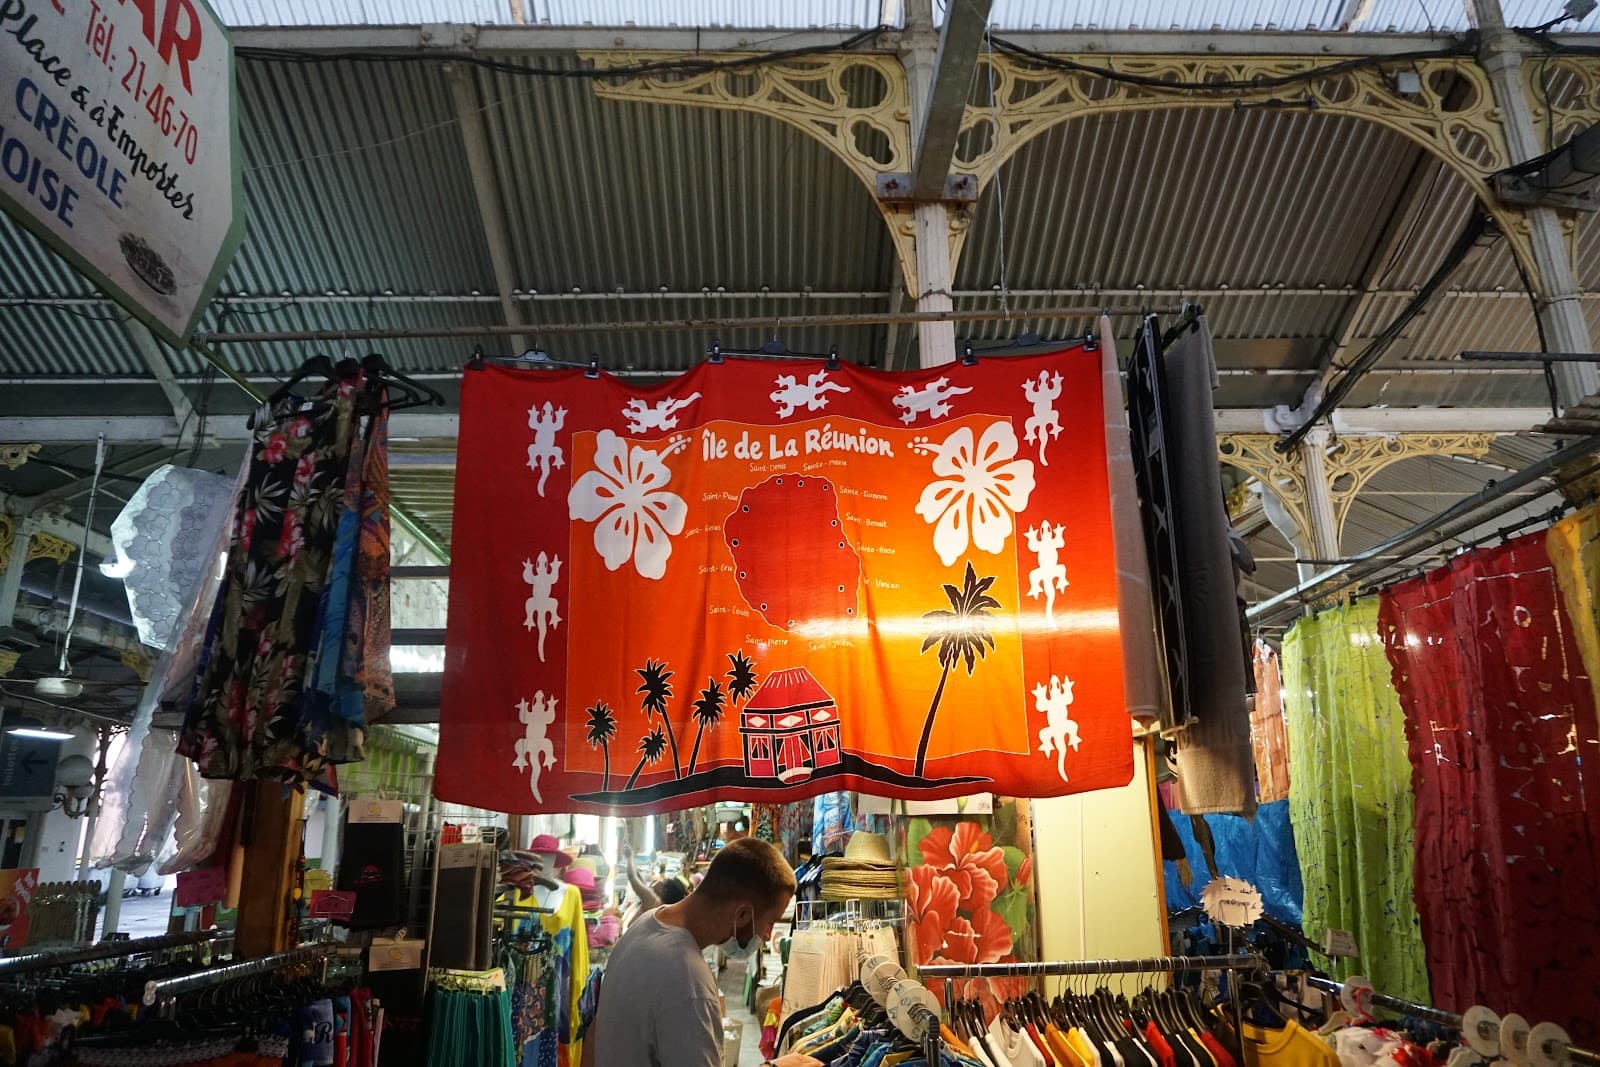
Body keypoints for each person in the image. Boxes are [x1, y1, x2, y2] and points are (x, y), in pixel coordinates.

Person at [590, 837, 820, 1067]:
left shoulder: (642, 926)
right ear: (742, 915)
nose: (769, 935)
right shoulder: (687, 978)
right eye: (770, 922)